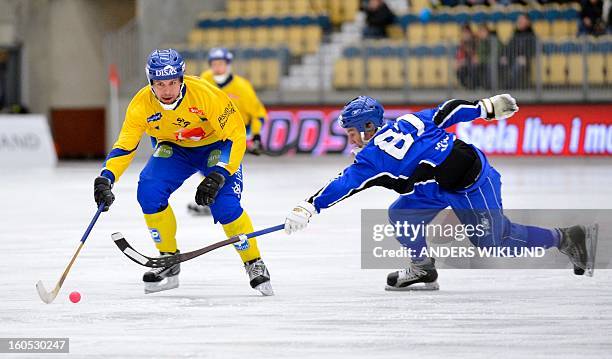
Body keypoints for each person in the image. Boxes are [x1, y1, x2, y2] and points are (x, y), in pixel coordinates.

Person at [283, 95, 597, 290]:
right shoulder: (407, 120)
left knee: (493, 241)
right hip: (440, 183)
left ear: (367, 127)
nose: (351, 140)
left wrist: (309, 206)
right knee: (401, 213)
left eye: (352, 133)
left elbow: (344, 183)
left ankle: (566, 237)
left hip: (472, 183)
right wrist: (484, 108)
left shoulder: (371, 158)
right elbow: (449, 109)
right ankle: (423, 269)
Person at [93, 49, 273, 295]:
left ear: (181, 79)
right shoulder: (141, 103)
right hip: (175, 149)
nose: (166, 91)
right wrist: (106, 177)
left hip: (217, 147)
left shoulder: (206, 94)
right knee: (148, 191)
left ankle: (254, 262)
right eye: (159, 84)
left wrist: (220, 172)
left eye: (172, 83)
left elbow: (236, 134)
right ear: (151, 83)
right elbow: (125, 146)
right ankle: (168, 259)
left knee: (225, 205)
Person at [187, 47, 269, 216]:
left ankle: (219, 199)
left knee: (225, 163)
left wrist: (256, 135)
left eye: (221, 63)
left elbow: (257, 114)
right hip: (211, 130)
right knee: (208, 163)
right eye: (214, 64)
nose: (217, 67)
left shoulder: (242, 86)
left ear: (228, 65)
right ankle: (211, 196)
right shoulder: (205, 80)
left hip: (236, 130)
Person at [500, 14, 536, 89]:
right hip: (512, 58)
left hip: (524, 61)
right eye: (519, 20)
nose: (519, 21)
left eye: (522, 20)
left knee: (518, 65)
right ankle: (500, 87)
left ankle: (508, 87)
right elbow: (508, 47)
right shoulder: (515, 34)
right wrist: (504, 56)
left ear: (528, 22)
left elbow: (534, 49)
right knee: (500, 63)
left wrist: (525, 57)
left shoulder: (532, 35)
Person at [456, 24, 478, 89]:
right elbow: (460, 55)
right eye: (463, 33)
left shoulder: (475, 41)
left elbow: (475, 55)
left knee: (473, 68)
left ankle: (473, 86)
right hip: (466, 63)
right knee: (459, 70)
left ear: (470, 33)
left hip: (474, 63)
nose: (465, 35)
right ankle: (466, 87)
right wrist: (459, 62)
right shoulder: (462, 43)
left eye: (466, 32)